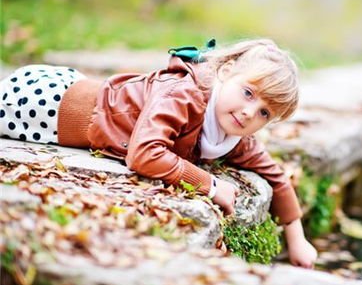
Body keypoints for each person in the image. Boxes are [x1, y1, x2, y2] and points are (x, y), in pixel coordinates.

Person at [0, 38, 318, 268]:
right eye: (248, 93)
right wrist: (209, 184)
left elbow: (274, 175)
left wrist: (297, 238)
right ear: (226, 72)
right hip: (46, 105)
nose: (250, 113)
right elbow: (144, 154)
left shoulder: (233, 131)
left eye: (264, 113)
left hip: (78, 93)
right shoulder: (186, 94)